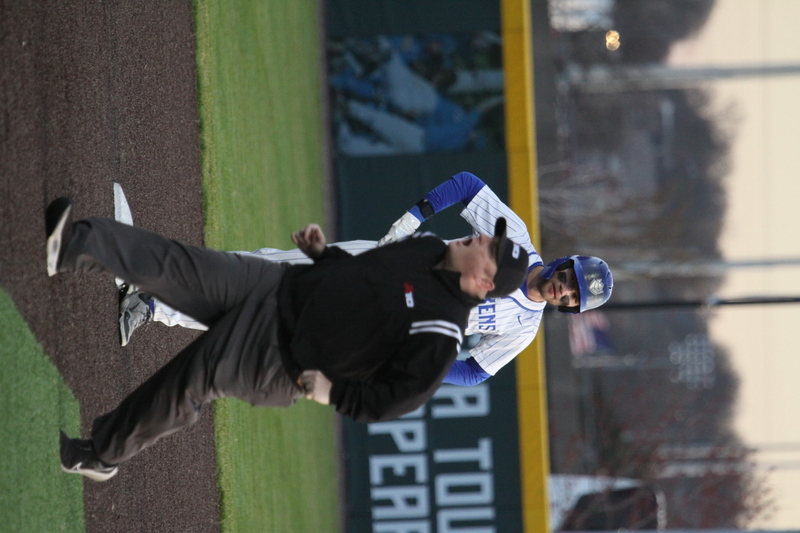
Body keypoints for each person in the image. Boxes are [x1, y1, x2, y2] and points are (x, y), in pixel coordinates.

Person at [46, 196, 528, 481]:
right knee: (183, 264)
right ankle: (73, 244)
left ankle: (102, 454)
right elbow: (361, 276)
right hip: (276, 286)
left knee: (185, 381)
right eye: (491, 236)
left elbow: (392, 402)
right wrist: (322, 256)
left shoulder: (442, 334)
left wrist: (332, 393)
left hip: (280, 358)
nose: (482, 238)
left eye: (491, 250)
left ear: (485, 283)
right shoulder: (425, 248)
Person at [123, 172, 614, 387]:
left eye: (572, 298)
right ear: (566, 263)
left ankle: (150, 306)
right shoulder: (518, 241)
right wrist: (414, 217)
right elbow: (466, 186)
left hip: (377, 326)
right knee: (255, 269)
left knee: (263, 327)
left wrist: (421, 364)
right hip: (383, 264)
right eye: (570, 279)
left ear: (570, 308)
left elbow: (475, 373)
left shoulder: (523, 329)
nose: (563, 290)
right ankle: (146, 273)